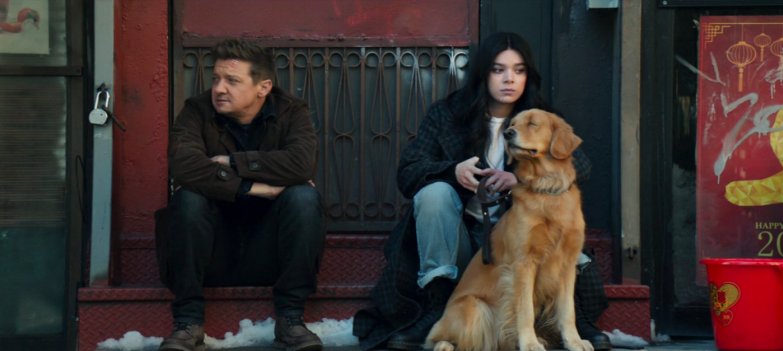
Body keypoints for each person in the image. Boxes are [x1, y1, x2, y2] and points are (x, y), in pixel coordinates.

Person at [352, 32, 611, 351]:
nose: (509, 79)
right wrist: (453, 171)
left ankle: (570, 320)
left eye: (519, 70)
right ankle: (437, 309)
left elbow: (580, 165)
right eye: (498, 69)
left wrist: (520, 180)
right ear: (482, 73)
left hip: (518, 235)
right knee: (433, 195)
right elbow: (408, 171)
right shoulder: (448, 114)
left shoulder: (537, 116)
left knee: (562, 230)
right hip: (460, 237)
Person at [157, 39, 326, 351]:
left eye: (232, 81)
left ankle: (290, 319)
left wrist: (234, 162)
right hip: (213, 246)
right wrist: (250, 187)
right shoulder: (196, 110)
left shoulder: (292, 112)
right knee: (187, 200)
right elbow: (183, 166)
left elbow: (301, 164)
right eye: (216, 79)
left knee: (303, 198)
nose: (219, 89)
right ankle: (188, 322)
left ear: (262, 87)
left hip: (270, 245)